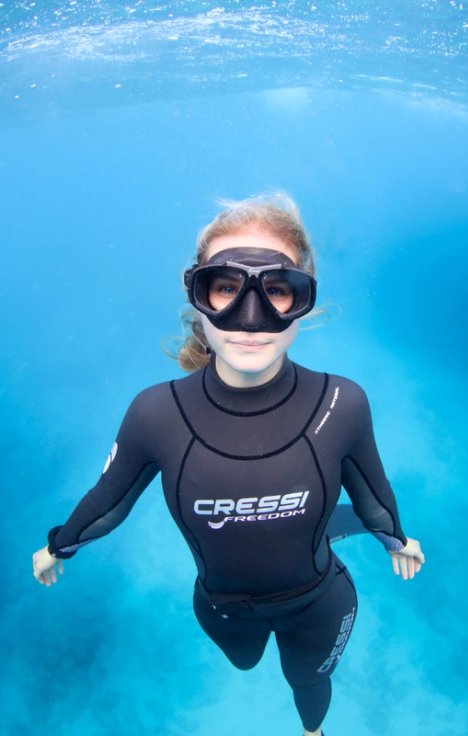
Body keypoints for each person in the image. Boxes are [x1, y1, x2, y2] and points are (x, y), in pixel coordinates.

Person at [31, 195, 426, 736]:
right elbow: (107, 501)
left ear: (303, 300)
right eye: (225, 287)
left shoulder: (343, 403)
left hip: (319, 603)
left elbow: (373, 497)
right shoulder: (156, 414)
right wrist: (59, 545)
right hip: (221, 607)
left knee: (308, 686)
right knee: (243, 661)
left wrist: (397, 539)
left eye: (278, 289)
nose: (250, 317)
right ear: (199, 296)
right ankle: (329, 528)